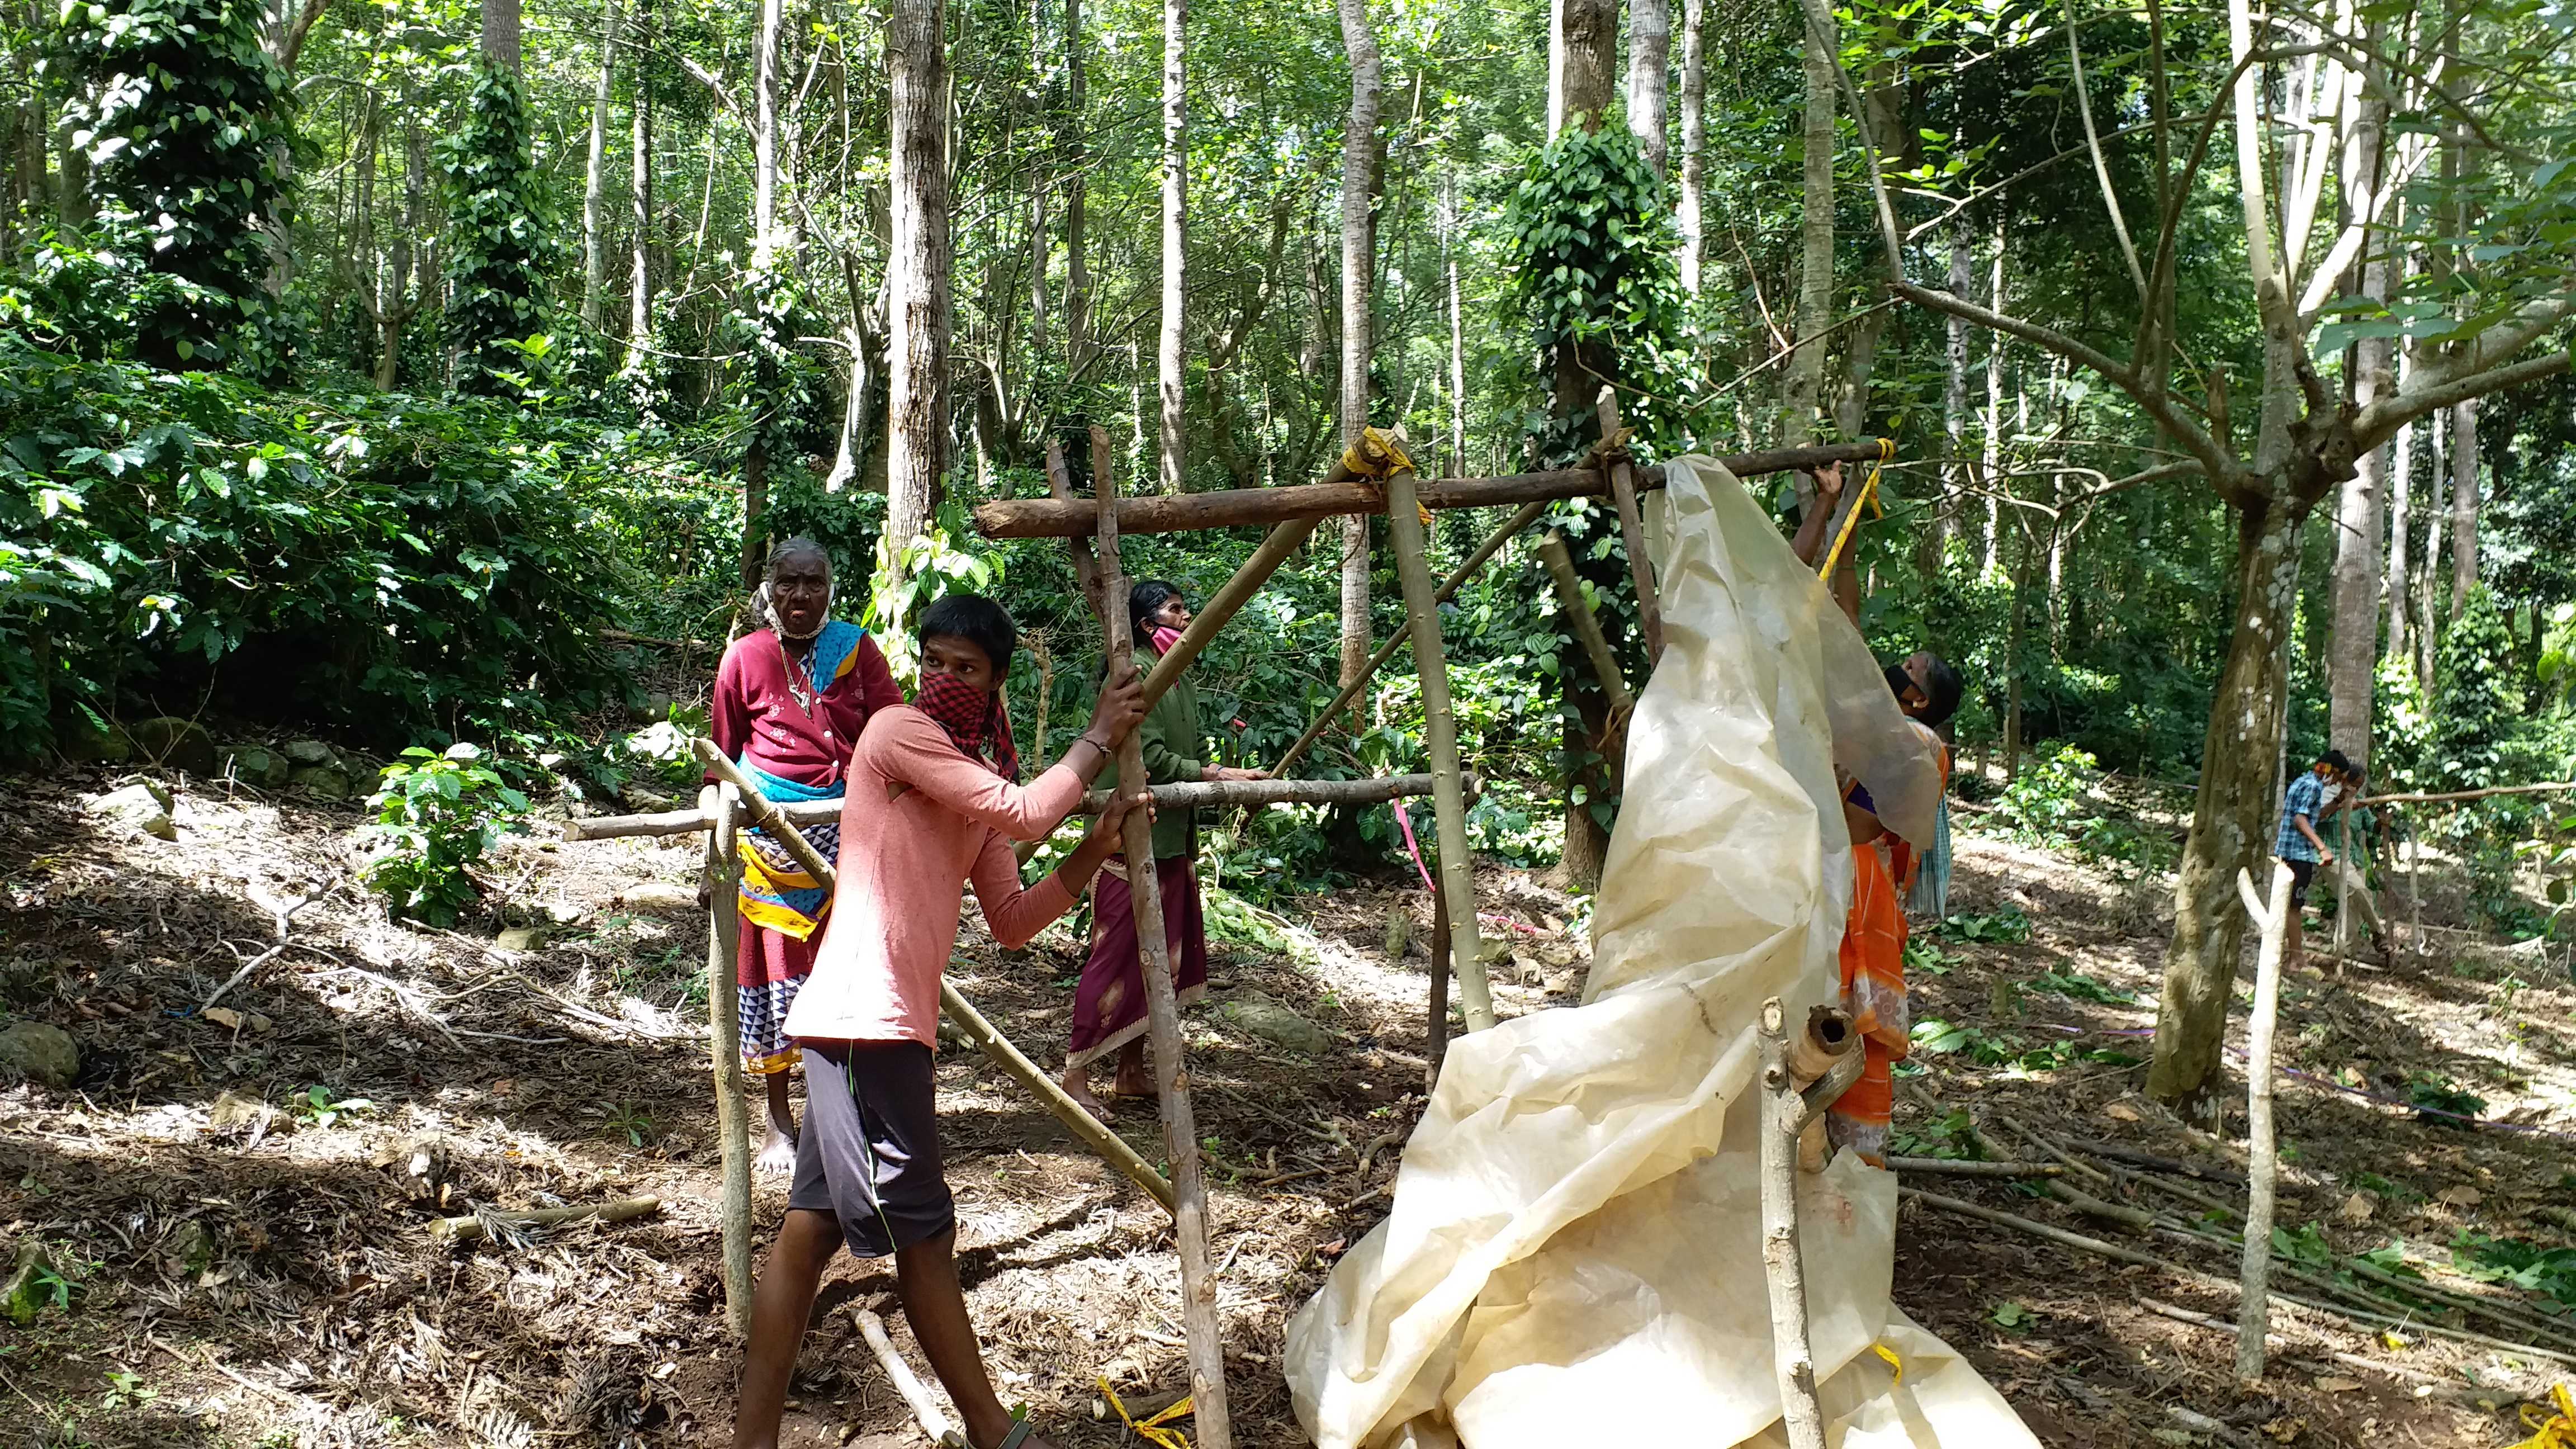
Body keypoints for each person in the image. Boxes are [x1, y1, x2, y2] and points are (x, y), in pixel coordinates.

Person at [730, 593, 1150, 1449]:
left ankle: (753, 1440)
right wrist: (1100, 736)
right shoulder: (895, 733)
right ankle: (997, 1434)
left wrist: (1092, 850)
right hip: (864, 1019)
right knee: (922, 1235)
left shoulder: (973, 786)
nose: (945, 680)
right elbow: (1030, 809)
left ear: (994, 683)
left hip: (882, 1031)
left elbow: (1012, 919)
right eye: (937, 662)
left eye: (967, 669)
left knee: (814, 1232)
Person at [710, 537, 903, 1174]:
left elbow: (894, 729)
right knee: (770, 982)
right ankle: (777, 1121)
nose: (800, 596)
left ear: (830, 587)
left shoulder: (856, 649)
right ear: (769, 587)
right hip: (767, 844)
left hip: (849, 834)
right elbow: (723, 754)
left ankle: (846, 1114)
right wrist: (714, 845)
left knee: (845, 977)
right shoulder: (744, 658)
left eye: (813, 583)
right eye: (788, 582)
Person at [1787, 461, 1959, 1167]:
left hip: (1856, 891)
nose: (1894, 670)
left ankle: (1851, 1185)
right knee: (1807, 1033)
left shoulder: (1918, 746)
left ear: (1917, 700)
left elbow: (1845, 628)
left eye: (1908, 671)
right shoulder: (1887, 727)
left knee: (1843, 1038)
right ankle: (1810, 1167)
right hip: (1836, 878)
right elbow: (1842, 616)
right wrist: (1838, 513)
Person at [1059, 581, 1267, 1124]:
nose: (1187, 615)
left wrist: (1223, 775)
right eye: (1176, 610)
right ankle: (1076, 1074)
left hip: (1174, 841)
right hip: (1132, 842)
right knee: (1114, 959)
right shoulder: (1133, 678)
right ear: (1151, 626)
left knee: (1161, 960)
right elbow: (1147, 756)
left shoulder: (1182, 678)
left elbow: (1190, 755)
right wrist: (1215, 773)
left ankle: (1130, 1071)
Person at [2278, 749, 2354, 971]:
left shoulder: (2306, 782)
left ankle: (2292, 955)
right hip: (2298, 853)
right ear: (2329, 769)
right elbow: (2300, 819)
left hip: (2292, 851)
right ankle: (2295, 960)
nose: (2337, 782)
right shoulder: (2312, 786)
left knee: (2290, 904)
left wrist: (2339, 800)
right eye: (2338, 777)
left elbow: (2314, 816)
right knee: (2294, 907)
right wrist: (2322, 847)